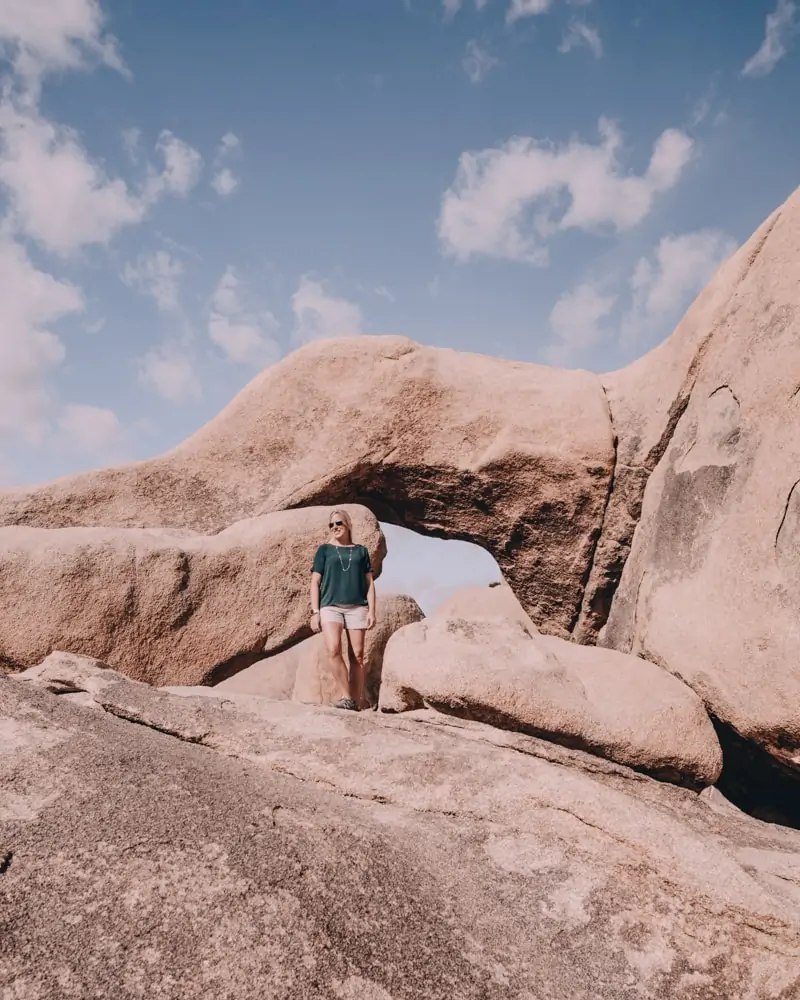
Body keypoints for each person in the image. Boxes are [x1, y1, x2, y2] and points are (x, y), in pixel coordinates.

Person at [310, 509, 376, 711]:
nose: (335, 527)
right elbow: (315, 582)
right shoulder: (324, 550)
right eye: (331, 525)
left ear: (347, 524)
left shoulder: (361, 551)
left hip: (357, 607)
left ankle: (353, 703)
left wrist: (372, 610)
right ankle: (346, 696)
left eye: (338, 523)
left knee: (357, 656)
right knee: (333, 649)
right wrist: (315, 611)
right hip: (330, 606)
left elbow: (370, 584)